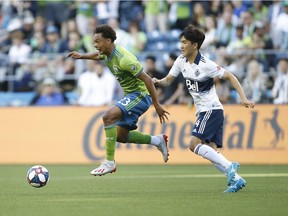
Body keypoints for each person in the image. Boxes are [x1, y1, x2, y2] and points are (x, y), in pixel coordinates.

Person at [153, 25, 255, 193]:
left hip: (211, 110)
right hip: (205, 111)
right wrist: (157, 81)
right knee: (212, 151)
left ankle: (231, 166)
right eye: (181, 42)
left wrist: (243, 98)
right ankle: (236, 180)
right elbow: (169, 80)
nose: (181, 46)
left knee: (193, 145)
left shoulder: (206, 65)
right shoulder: (181, 61)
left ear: (195, 45)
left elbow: (229, 76)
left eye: (185, 42)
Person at [67, 24, 170, 176]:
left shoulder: (124, 59)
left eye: (98, 41)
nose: (95, 45)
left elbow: (147, 79)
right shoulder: (107, 53)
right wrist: (82, 56)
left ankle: (109, 162)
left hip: (140, 95)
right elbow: (98, 56)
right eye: (94, 42)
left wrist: (157, 104)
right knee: (121, 136)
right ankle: (157, 140)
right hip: (129, 96)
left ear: (108, 41)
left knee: (108, 117)